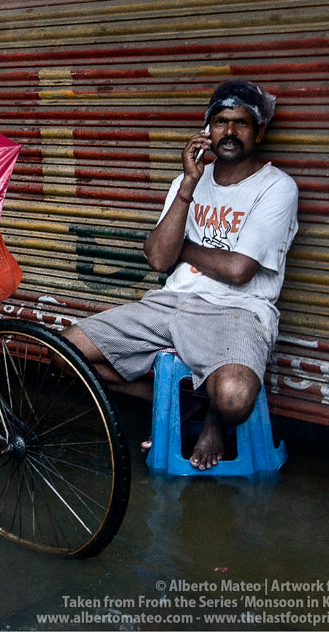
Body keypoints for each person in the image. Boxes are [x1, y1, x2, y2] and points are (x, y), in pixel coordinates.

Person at [64, 79, 299, 470]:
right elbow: (158, 258)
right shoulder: (187, 180)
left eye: (241, 123)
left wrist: (183, 248)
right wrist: (189, 183)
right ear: (207, 129)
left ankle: (213, 417)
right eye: (220, 121)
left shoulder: (277, 187)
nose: (229, 132)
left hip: (236, 310)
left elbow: (239, 270)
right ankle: (183, 402)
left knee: (236, 398)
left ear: (259, 131)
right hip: (171, 303)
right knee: (67, 352)